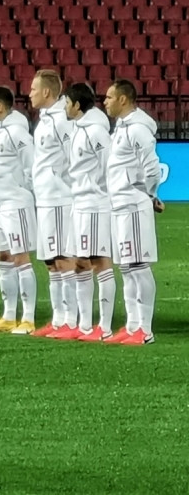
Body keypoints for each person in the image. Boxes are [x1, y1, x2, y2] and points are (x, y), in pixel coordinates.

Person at [103, 79, 163, 345]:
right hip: (119, 205)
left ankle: (145, 330)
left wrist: (149, 195)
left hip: (133, 205)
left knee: (138, 267)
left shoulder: (138, 129)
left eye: (109, 97)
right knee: (127, 268)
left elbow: (152, 168)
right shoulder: (120, 129)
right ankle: (131, 326)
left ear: (123, 99)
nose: (105, 102)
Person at [0, 86, 39, 335]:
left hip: (16, 204)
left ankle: (28, 318)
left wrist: (22, 191)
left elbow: (31, 166)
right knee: (4, 257)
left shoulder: (18, 133)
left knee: (20, 258)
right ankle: (8, 315)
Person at [64, 82, 116, 341]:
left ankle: (104, 327)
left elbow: (109, 166)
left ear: (77, 105)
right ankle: (84, 325)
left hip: (95, 204)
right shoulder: (78, 128)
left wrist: (99, 191)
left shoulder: (97, 131)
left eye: (67, 102)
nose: (64, 107)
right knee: (80, 264)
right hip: (79, 204)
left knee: (99, 262)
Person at [28, 69, 77, 337]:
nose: (30, 94)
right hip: (45, 199)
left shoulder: (62, 120)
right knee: (50, 261)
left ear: (46, 92)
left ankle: (71, 319)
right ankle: (58, 319)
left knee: (64, 259)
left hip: (60, 198)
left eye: (34, 89)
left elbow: (73, 156)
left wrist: (63, 184)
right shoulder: (44, 120)